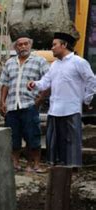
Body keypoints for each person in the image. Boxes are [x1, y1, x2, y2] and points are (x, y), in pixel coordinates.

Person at [28, 32, 96, 167]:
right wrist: (34, 84)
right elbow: (45, 82)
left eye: (54, 45)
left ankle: (73, 169)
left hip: (72, 108)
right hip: (54, 110)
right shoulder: (54, 65)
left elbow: (92, 81)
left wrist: (86, 100)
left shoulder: (79, 62)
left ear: (64, 45)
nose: (52, 48)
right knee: (53, 141)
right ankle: (56, 167)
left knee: (71, 141)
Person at [0, 33, 49, 172]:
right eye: (19, 44)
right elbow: (5, 84)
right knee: (13, 137)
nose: (22, 47)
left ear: (30, 45)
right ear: (15, 47)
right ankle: (15, 163)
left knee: (32, 136)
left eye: (25, 44)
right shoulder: (10, 62)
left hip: (29, 105)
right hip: (12, 106)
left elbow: (49, 82)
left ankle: (35, 164)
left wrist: (40, 100)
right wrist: (2, 102)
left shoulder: (40, 61)